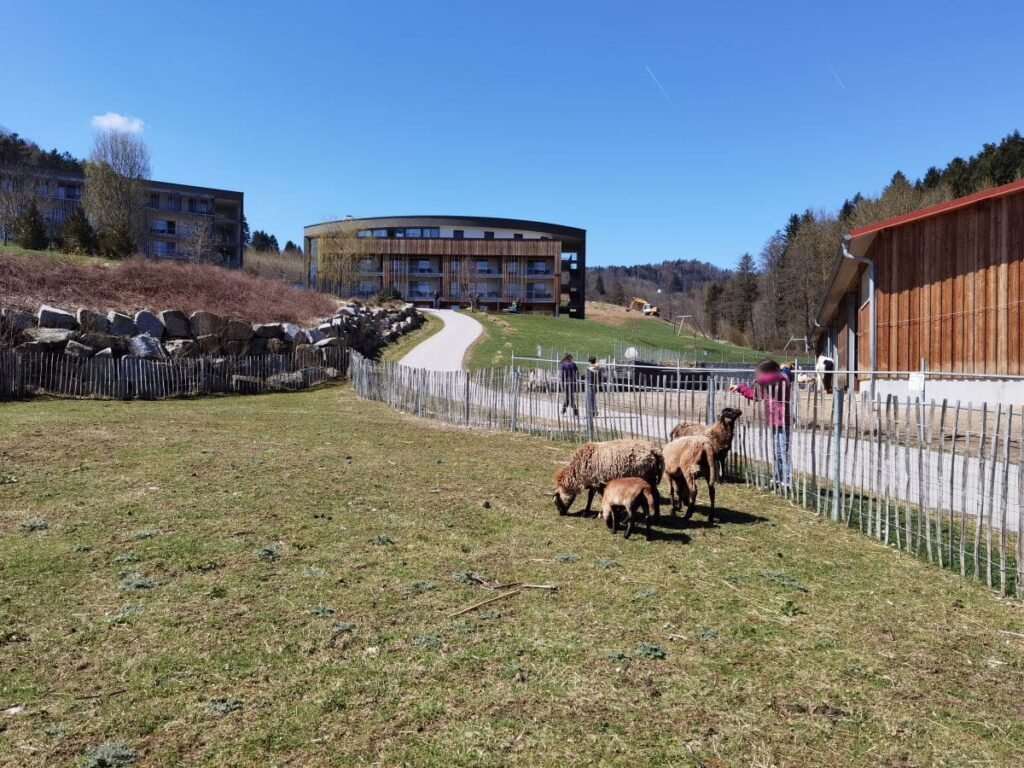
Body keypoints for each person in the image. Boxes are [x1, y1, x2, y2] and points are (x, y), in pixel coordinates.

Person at [729, 359, 794, 489]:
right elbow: (755, 395)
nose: (757, 376)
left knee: (784, 452)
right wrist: (740, 387)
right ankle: (777, 479)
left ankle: (786, 481)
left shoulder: (782, 379)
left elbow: (779, 374)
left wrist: (782, 368)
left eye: (759, 373)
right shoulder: (767, 384)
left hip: (784, 421)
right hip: (773, 421)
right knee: (777, 453)